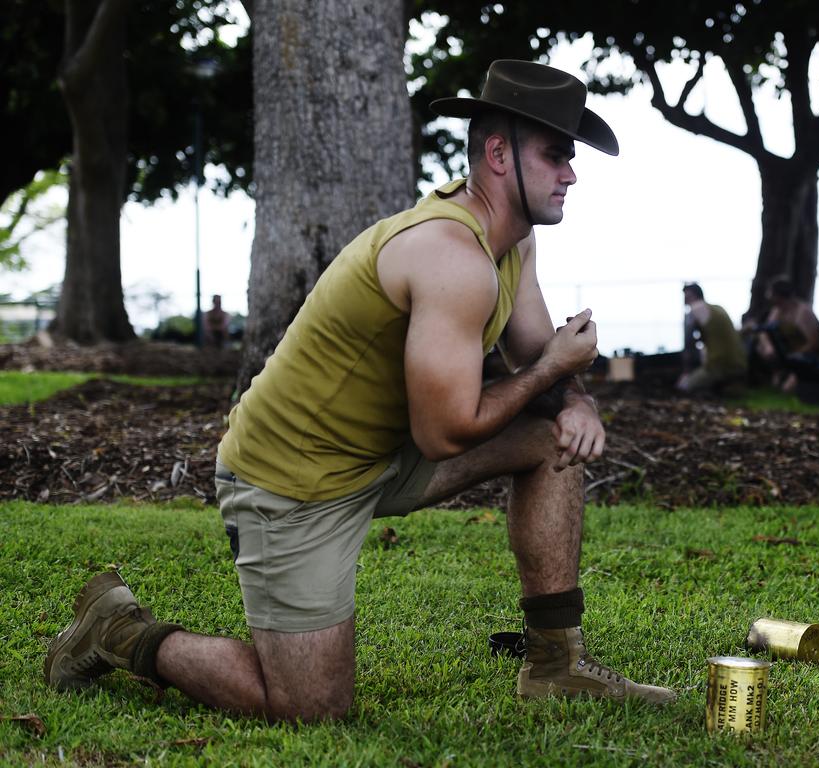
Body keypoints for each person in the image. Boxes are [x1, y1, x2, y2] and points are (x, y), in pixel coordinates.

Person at [44, 60, 676, 721]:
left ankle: (555, 662)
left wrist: (573, 399)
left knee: (554, 439)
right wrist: (552, 374)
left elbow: (537, 351)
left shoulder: (511, 243)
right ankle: (116, 630)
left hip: (383, 456)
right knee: (309, 708)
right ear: (498, 153)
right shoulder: (451, 257)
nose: (571, 174)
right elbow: (449, 430)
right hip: (292, 483)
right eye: (556, 156)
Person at [754, 276, 819, 392]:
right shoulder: (778, 311)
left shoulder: (802, 312)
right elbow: (765, 331)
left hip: (809, 357)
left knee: (788, 389)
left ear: (778, 295)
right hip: (789, 355)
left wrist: (793, 358)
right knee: (762, 347)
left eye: (770, 293)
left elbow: (815, 343)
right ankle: (779, 373)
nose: (767, 296)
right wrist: (768, 347)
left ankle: (793, 377)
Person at [675, 282, 747, 395]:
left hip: (718, 365)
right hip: (739, 363)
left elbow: (688, 343)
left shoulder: (694, 310)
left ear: (691, 295)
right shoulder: (718, 309)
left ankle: (717, 388)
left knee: (683, 386)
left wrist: (686, 372)